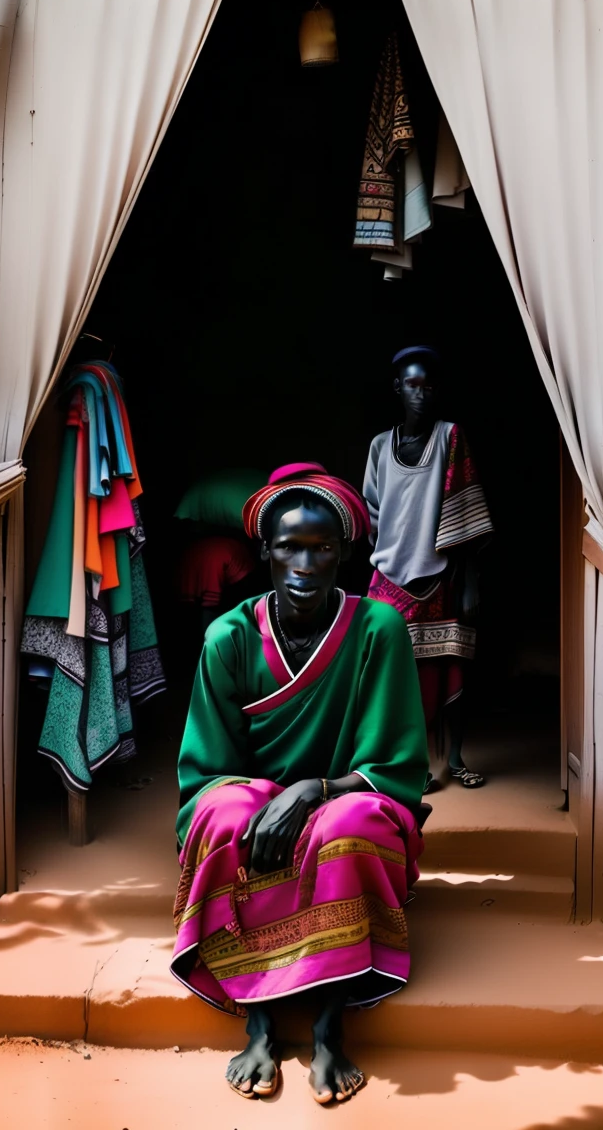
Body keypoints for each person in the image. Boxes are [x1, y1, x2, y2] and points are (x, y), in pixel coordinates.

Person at [172, 463, 429, 1105]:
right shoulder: (227, 639)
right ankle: (258, 1022)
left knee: (352, 826)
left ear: (345, 554)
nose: (305, 564)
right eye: (290, 546)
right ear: (264, 551)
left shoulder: (379, 629)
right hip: (258, 808)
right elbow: (206, 775)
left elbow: (395, 772)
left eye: (322, 549)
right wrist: (268, 800)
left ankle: (327, 1027)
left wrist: (313, 788)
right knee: (229, 817)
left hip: (344, 799)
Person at [364, 347, 493, 791]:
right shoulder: (381, 445)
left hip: (442, 574)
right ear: (398, 388)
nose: (422, 393)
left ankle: (455, 759)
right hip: (389, 578)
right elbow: (373, 511)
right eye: (413, 385)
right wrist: (386, 552)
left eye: (429, 385)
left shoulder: (450, 437)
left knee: (452, 666)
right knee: (394, 678)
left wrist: (471, 579)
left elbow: (467, 503)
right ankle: (409, 762)